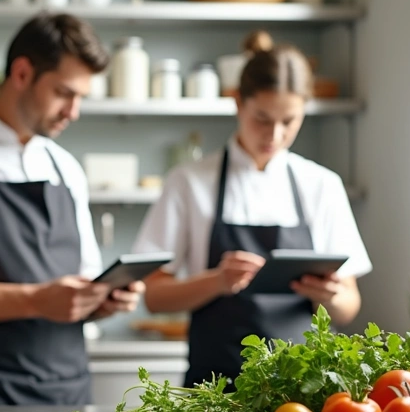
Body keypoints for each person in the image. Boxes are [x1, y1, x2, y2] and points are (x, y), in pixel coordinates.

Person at [0, 13, 143, 406]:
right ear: (22, 73)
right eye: (64, 93)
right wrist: (35, 300)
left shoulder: (66, 167)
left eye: (81, 98)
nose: (73, 112)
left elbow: (81, 282)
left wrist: (102, 301)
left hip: (68, 394)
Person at [132, 31, 372, 389]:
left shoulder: (321, 185)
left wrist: (330, 296)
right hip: (214, 392)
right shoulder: (189, 182)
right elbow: (153, 296)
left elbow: (349, 305)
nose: (274, 135)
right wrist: (217, 281)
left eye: (289, 121)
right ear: (237, 103)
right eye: (262, 118)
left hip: (302, 392)